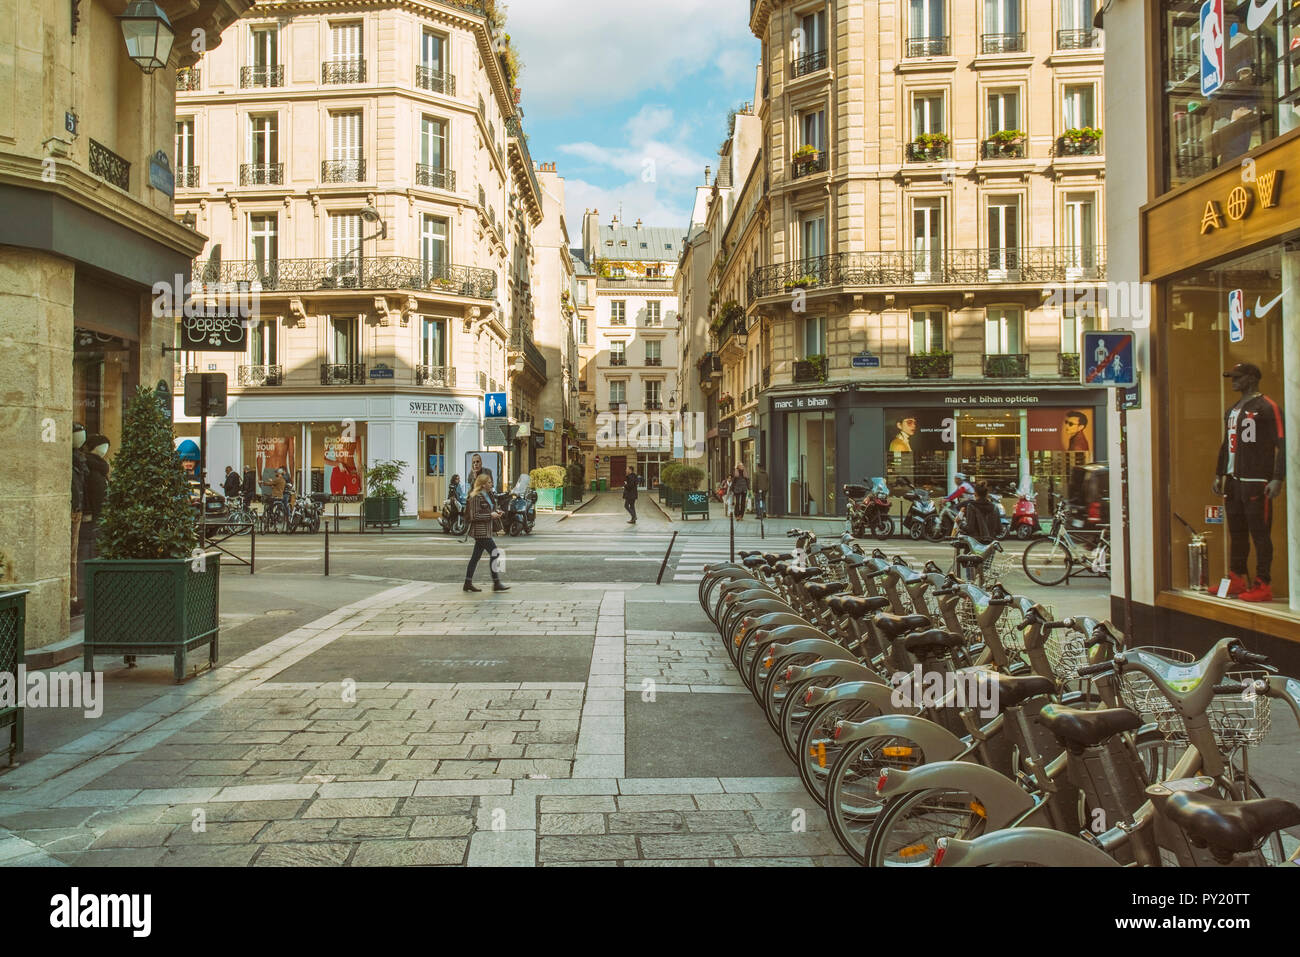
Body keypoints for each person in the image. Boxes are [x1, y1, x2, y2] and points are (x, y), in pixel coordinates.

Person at [1213, 362, 1285, 603]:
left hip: (1256, 480)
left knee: (1260, 533)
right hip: (1234, 481)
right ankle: (1237, 577)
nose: (1233, 381)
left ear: (1252, 378)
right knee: (1237, 532)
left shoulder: (1267, 407)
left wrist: (1277, 478)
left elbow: (1282, 443)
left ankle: (1263, 582)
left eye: (1238, 377)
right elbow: (1226, 444)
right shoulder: (1234, 409)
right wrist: (1219, 473)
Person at [463, 473, 508, 592]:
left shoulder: (487, 495)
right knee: (495, 553)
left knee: (475, 557)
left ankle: (467, 583)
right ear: (483, 485)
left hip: (486, 530)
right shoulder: (476, 497)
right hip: (480, 531)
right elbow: (474, 515)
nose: (491, 484)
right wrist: (490, 515)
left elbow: (489, 509)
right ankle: (496, 583)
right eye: (489, 482)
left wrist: (497, 512)